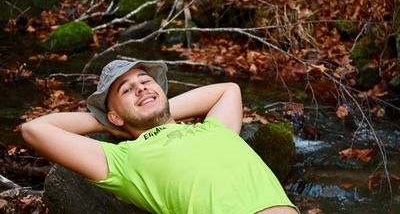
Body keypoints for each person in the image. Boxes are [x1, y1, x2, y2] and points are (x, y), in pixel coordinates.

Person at [21, 59, 299, 214]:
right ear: (114, 115)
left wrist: (156, 109)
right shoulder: (125, 160)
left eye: (145, 82)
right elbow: (35, 130)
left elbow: (229, 89)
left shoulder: (214, 128)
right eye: (127, 90)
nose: (141, 88)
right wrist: (110, 124)